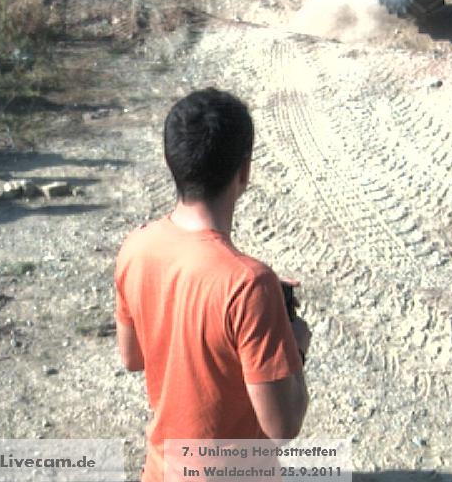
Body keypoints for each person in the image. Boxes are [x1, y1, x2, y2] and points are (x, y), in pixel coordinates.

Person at [114, 88, 311, 482]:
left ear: (173, 162)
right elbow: (282, 426)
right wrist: (296, 346)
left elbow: (133, 358)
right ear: (244, 170)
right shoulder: (250, 285)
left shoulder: (135, 247)